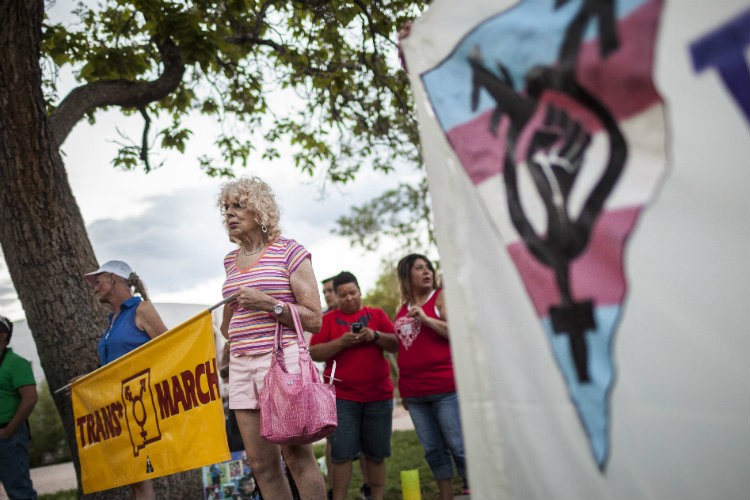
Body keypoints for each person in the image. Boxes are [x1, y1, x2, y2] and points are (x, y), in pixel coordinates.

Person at [218, 176, 326, 500]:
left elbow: (315, 319)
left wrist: (269, 304)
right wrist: (229, 333)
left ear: (260, 209)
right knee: (260, 464)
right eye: (226, 208)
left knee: (296, 456)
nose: (230, 214)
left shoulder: (290, 252)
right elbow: (230, 322)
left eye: (238, 205)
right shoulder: (229, 261)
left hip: (281, 361)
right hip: (241, 366)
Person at [83, 260, 168, 500]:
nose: (94, 287)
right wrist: (87, 382)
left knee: (139, 478)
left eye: (97, 281)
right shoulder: (113, 320)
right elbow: (113, 367)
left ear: (112, 279)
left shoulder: (141, 310)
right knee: (134, 479)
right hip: (119, 409)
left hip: (141, 407)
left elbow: (170, 350)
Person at [309, 271, 398, 500]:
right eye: (343, 295)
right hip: (343, 398)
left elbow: (396, 344)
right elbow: (315, 352)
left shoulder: (376, 314)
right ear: (335, 297)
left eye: (353, 293)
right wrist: (341, 342)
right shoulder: (327, 320)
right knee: (342, 455)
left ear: (360, 291)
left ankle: (375, 497)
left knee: (376, 454)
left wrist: (375, 335)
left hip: (378, 396)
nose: (349, 298)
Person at [393, 254, 468, 499]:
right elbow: (404, 350)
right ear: (407, 275)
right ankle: (446, 495)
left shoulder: (441, 297)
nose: (427, 272)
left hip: (445, 387)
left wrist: (427, 319)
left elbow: (457, 332)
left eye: (428, 268)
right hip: (414, 393)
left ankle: (473, 486)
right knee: (433, 449)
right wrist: (403, 390)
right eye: (419, 268)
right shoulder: (401, 308)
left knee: (457, 444)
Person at [0, 315, 38, 500]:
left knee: (19, 491)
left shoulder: (15, 363)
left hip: (9, 436)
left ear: (3, 336)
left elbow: (30, 398)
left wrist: (8, 431)